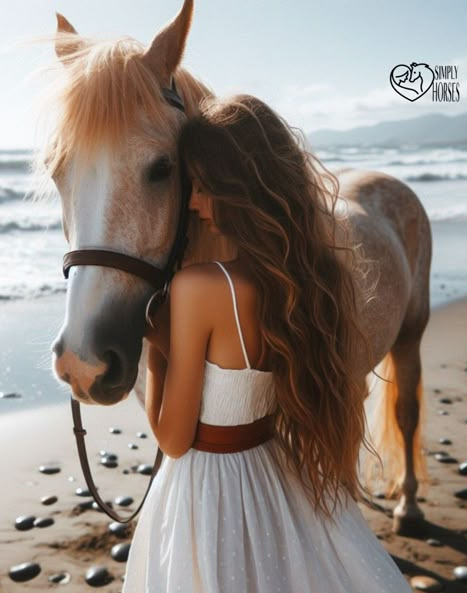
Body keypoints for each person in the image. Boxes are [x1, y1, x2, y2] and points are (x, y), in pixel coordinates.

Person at [122, 94, 412, 592]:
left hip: (207, 495)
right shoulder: (303, 282)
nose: (192, 203)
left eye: (205, 188)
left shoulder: (200, 288)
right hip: (270, 473)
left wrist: (158, 348)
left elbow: (171, 440)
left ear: (241, 188)